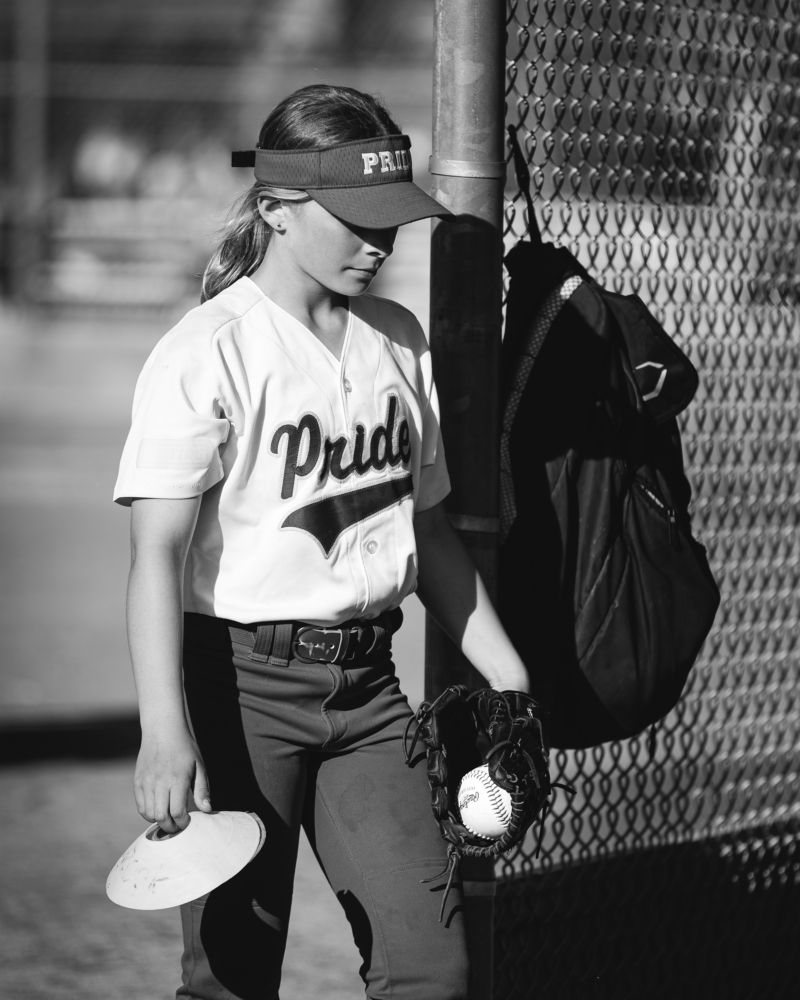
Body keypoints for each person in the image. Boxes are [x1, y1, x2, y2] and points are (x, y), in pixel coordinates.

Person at [113, 83, 529, 1000]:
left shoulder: (398, 338)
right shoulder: (209, 350)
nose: (380, 241)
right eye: (356, 219)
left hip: (371, 694)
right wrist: (163, 730)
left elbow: (425, 529)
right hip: (242, 688)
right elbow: (155, 557)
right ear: (276, 211)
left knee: (433, 967)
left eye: (392, 220)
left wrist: (508, 674)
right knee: (232, 972)